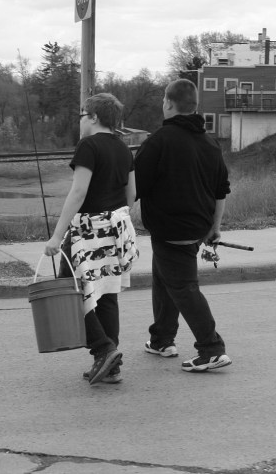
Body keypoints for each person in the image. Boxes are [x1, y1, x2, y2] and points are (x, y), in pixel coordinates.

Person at [134, 78, 232, 372]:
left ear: (167, 103)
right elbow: (220, 191)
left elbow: (133, 188)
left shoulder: (158, 142)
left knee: (184, 287)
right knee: (165, 279)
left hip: (170, 230)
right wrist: (215, 228)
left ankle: (211, 348)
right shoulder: (210, 144)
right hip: (197, 229)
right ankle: (162, 339)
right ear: (194, 106)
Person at [44, 93, 138, 385]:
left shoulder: (88, 146)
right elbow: (132, 195)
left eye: (83, 115)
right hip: (116, 230)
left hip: (86, 232)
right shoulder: (124, 149)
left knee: (71, 293)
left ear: (94, 117)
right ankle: (111, 365)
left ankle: (103, 348)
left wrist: (57, 236)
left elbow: (78, 192)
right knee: (107, 294)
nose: (81, 121)